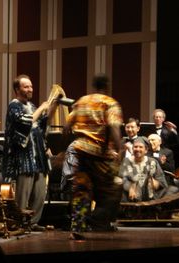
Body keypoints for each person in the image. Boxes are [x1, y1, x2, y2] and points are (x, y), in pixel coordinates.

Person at [62, 73, 123, 239]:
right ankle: (98, 221)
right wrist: (120, 148)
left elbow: (66, 127)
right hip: (99, 154)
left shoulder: (82, 101)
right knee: (114, 187)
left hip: (80, 153)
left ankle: (78, 227)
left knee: (81, 190)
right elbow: (113, 126)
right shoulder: (110, 103)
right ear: (107, 87)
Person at [2, 74, 58, 232]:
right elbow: (26, 121)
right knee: (23, 195)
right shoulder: (14, 106)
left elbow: (42, 124)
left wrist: (53, 105)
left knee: (40, 193)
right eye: (26, 86)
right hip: (23, 158)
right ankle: (20, 223)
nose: (30, 89)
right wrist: (42, 108)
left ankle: (32, 222)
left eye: (31, 86)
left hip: (37, 157)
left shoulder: (33, 106)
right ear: (17, 89)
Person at [120, 137, 179, 202]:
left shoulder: (153, 162)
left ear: (146, 150)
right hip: (131, 196)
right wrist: (129, 187)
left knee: (173, 190)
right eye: (135, 147)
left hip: (151, 195)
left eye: (140, 147)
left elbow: (161, 180)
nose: (137, 149)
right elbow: (123, 178)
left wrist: (156, 184)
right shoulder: (126, 161)